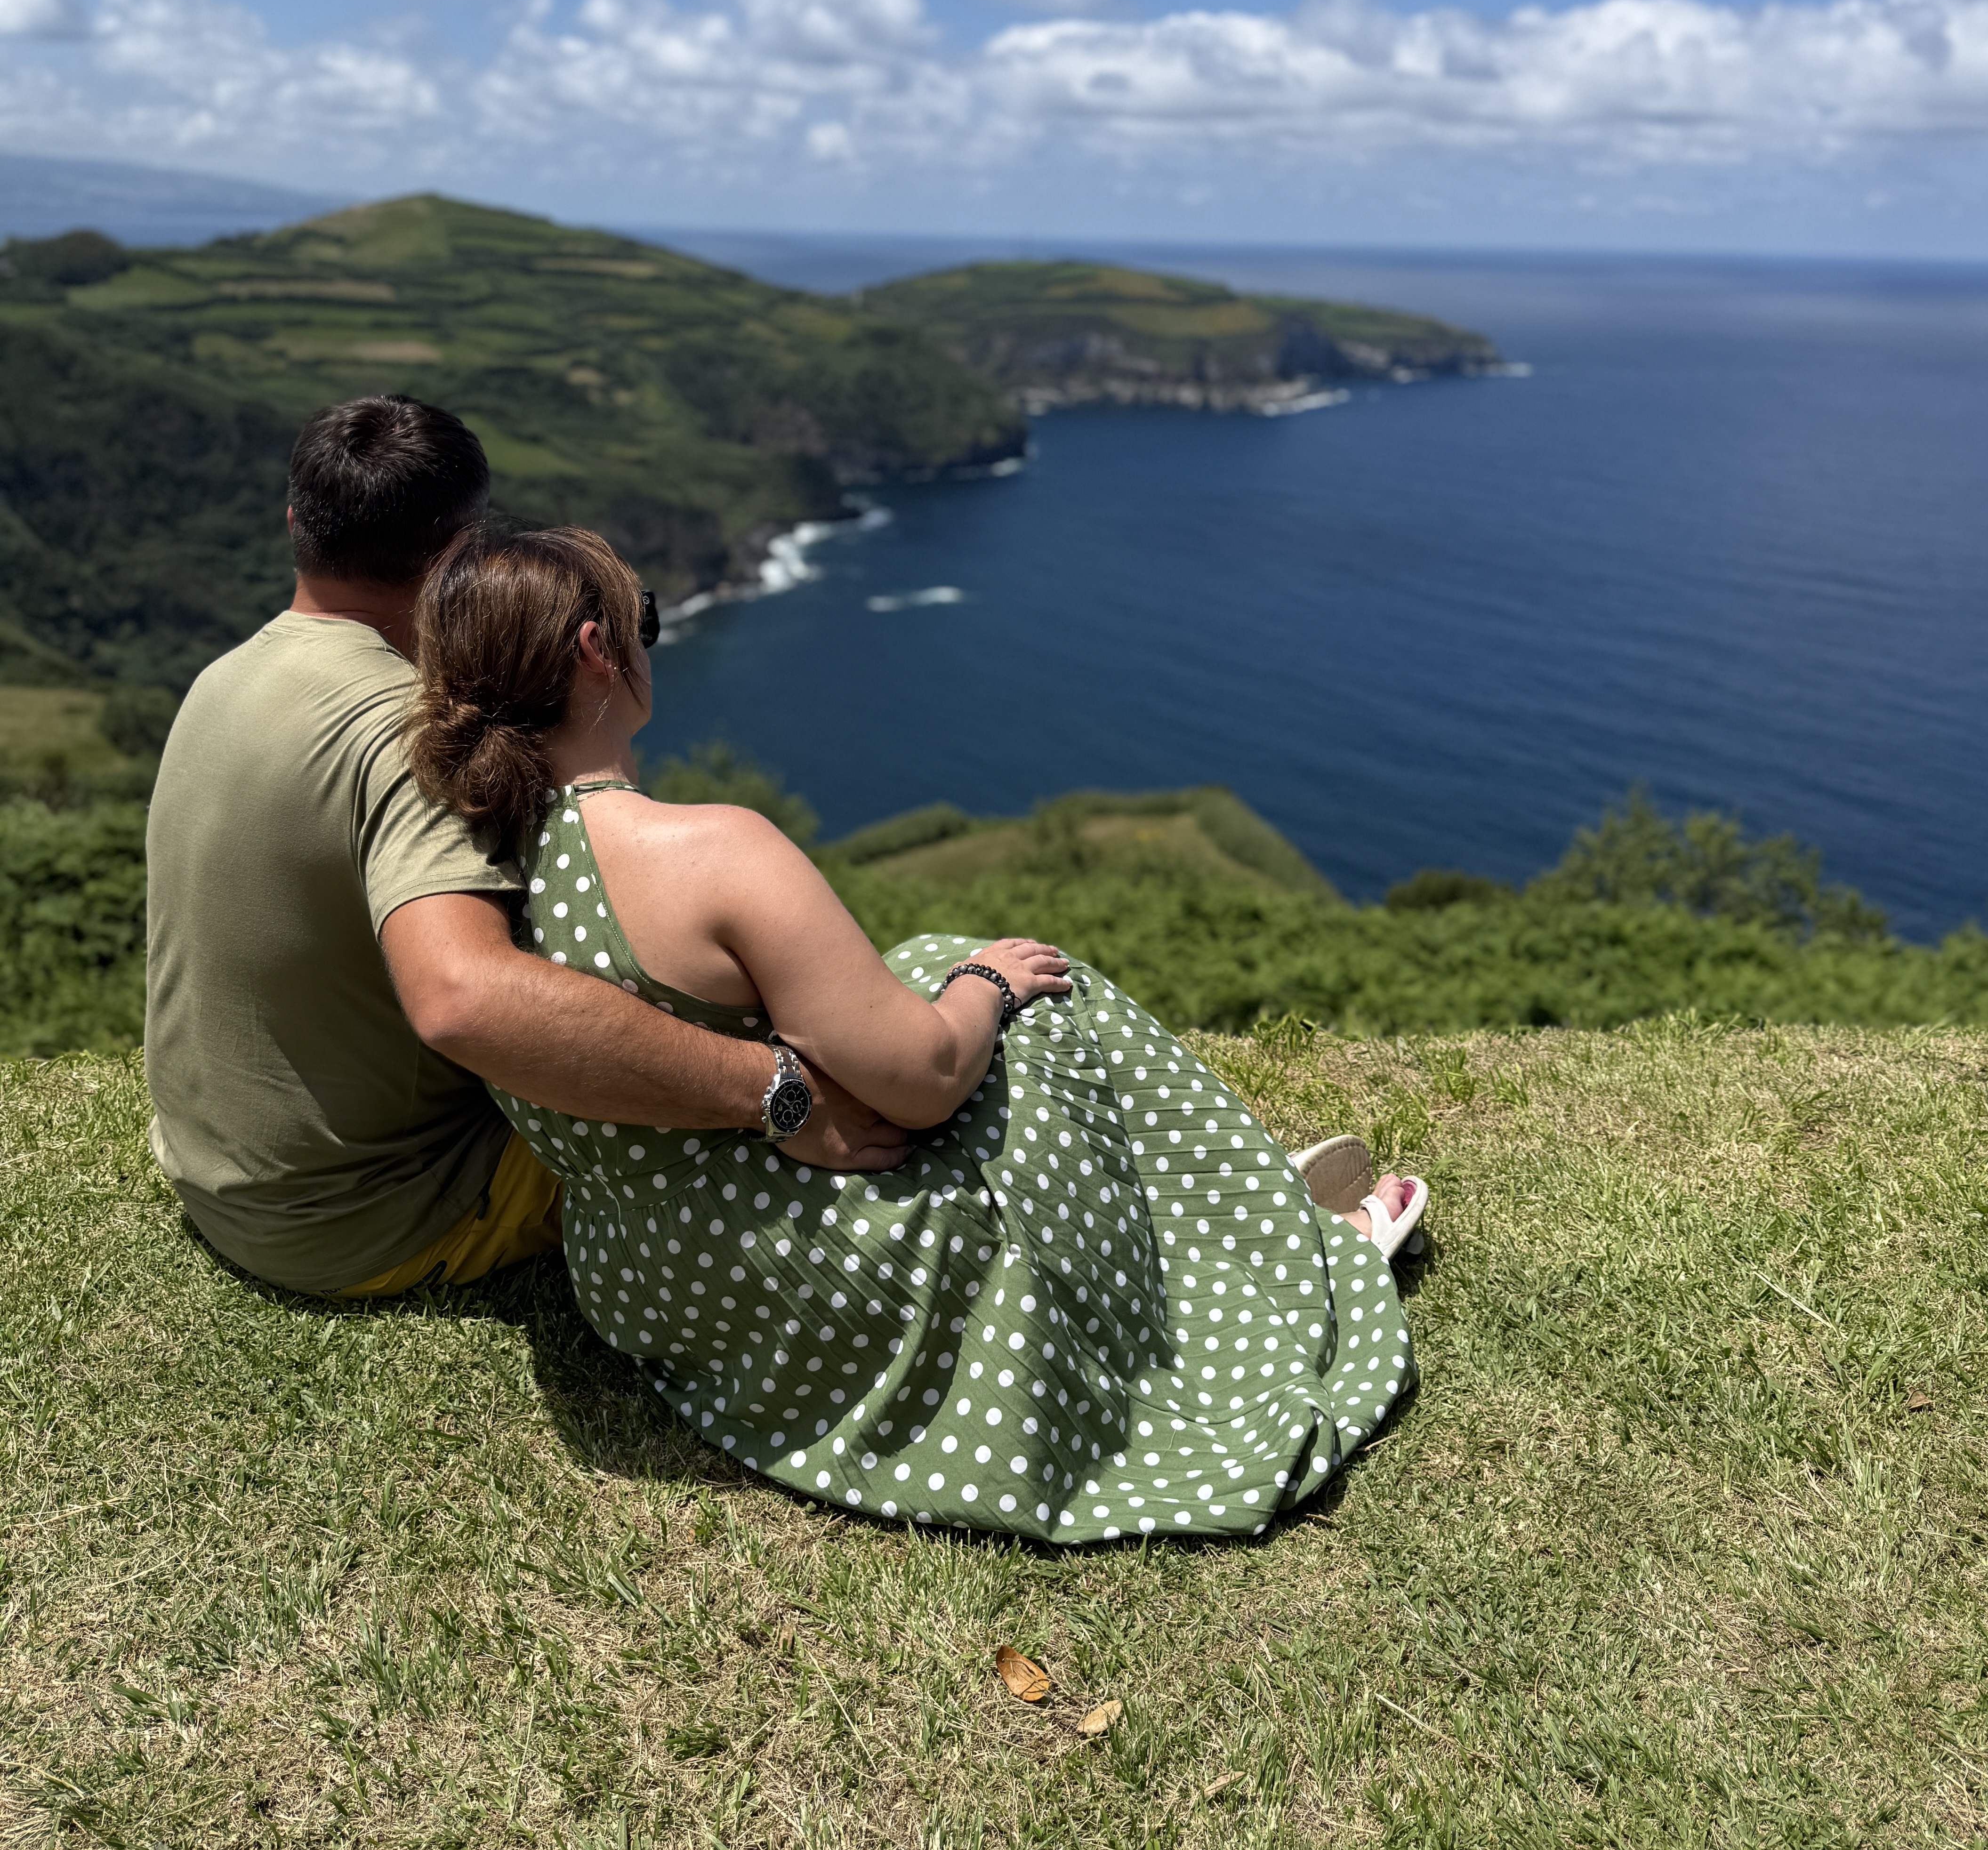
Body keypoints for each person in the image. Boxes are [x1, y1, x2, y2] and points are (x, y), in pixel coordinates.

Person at [406, 521, 1429, 1546]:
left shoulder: (467, 872)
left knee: (921, 959)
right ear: (596, 650)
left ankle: (1225, 1224)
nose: (646, 641)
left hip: (650, 1280)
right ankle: (1275, 1263)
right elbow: (926, 1078)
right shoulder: (710, 851)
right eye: (644, 620)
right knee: (1042, 1003)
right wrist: (987, 983)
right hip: (807, 1277)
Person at [145, 395, 908, 1301]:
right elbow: (462, 998)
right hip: (377, 1215)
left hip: (218, 1175)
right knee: (825, 1096)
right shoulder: (410, 736)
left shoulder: (223, 679)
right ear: (462, 557)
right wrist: (773, 1090)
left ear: (294, 524)